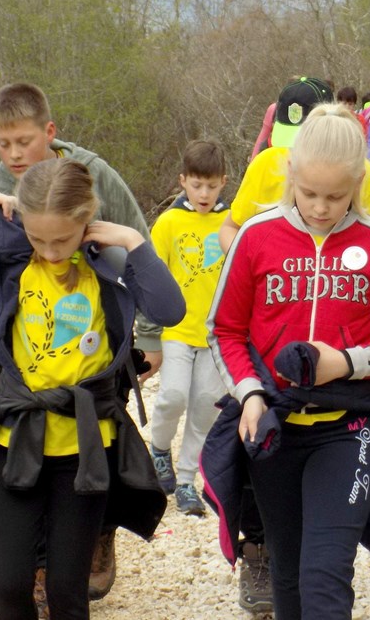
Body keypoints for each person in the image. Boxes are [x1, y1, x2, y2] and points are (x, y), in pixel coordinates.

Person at [0, 158, 185, 620]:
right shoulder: (10, 263)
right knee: (11, 583)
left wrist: (135, 241)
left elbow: (170, 309)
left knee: (66, 589)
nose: (50, 250)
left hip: (85, 451)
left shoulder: (108, 263)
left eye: (62, 238)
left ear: (87, 220)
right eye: (39, 238)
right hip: (15, 443)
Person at [203, 104, 370, 620]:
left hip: (348, 430)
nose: (321, 207)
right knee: (286, 574)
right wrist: (250, 393)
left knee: (324, 578)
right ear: (290, 175)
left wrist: (346, 362)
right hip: (274, 430)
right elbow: (224, 330)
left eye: (336, 195)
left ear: (358, 182)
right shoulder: (256, 236)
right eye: (308, 193)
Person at [0, 81, 161, 602]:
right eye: (4, 144)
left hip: (97, 333)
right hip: (25, 343)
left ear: (50, 132)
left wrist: (150, 335)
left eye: (24, 141)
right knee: (29, 449)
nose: (15, 154)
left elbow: (138, 242)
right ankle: (44, 564)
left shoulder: (94, 175)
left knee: (95, 438)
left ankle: (98, 534)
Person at [148, 141, 230, 517]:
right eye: (196, 185)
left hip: (216, 335)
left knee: (204, 407)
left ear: (223, 184)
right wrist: (147, 329)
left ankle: (185, 482)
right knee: (173, 396)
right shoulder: (168, 222)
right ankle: (159, 448)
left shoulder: (231, 224)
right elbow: (150, 274)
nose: (203, 193)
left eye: (211, 186)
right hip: (177, 329)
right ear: (182, 182)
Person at [218, 76, 370, 252]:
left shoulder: (361, 171)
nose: (293, 149)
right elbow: (230, 228)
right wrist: (248, 265)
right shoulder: (266, 162)